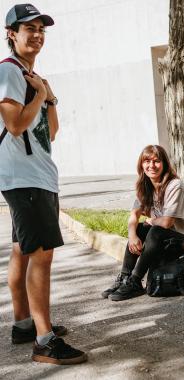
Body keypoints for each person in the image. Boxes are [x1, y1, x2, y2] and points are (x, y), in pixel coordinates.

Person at [0, 4, 87, 364]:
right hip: (25, 177)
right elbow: (16, 124)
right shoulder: (8, 72)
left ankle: (24, 324)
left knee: (24, 247)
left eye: (41, 29)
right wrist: (37, 95)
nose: (36, 34)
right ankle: (44, 340)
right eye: (28, 28)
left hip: (37, 174)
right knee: (42, 255)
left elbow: (50, 131)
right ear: (11, 35)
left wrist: (48, 96)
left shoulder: (30, 75)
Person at [102, 144, 184, 301]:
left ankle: (134, 280)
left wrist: (150, 220)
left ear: (164, 164)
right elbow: (134, 214)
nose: (151, 165)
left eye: (156, 161)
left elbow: (167, 222)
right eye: (147, 161)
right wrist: (132, 235)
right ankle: (125, 277)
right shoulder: (145, 186)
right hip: (163, 239)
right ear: (142, 164)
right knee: (140, 228)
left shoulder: (174, 185)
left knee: (153, 229)